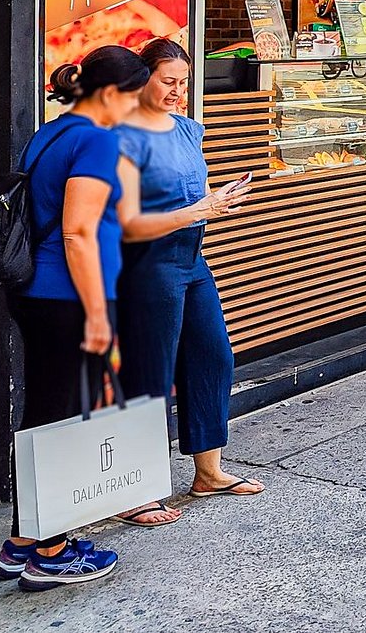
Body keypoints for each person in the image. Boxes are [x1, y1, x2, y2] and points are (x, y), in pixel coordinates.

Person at [0, 46, 150, 591]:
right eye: (133, 96)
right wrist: (98, 313)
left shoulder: (51, 133)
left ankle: (23, 540)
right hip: (67, 296)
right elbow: (78, 232)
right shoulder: (97, 141)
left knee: (42, 414)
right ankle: (52, 552)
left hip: (34, 292)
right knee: (59, 420)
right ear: (110, 94)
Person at [113, 39, 257, 526]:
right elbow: (128, 223)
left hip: (193, 258)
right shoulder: (124, 137)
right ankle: (134, 489)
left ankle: (208, 472)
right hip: (149, 263)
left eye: (184, 83)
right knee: (150, 371)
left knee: (213, 355)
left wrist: (219, 200)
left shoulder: (188, 129)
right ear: (142, 79)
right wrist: (200, 209)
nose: (178, 91)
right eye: (168, 81)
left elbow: (197, 195)